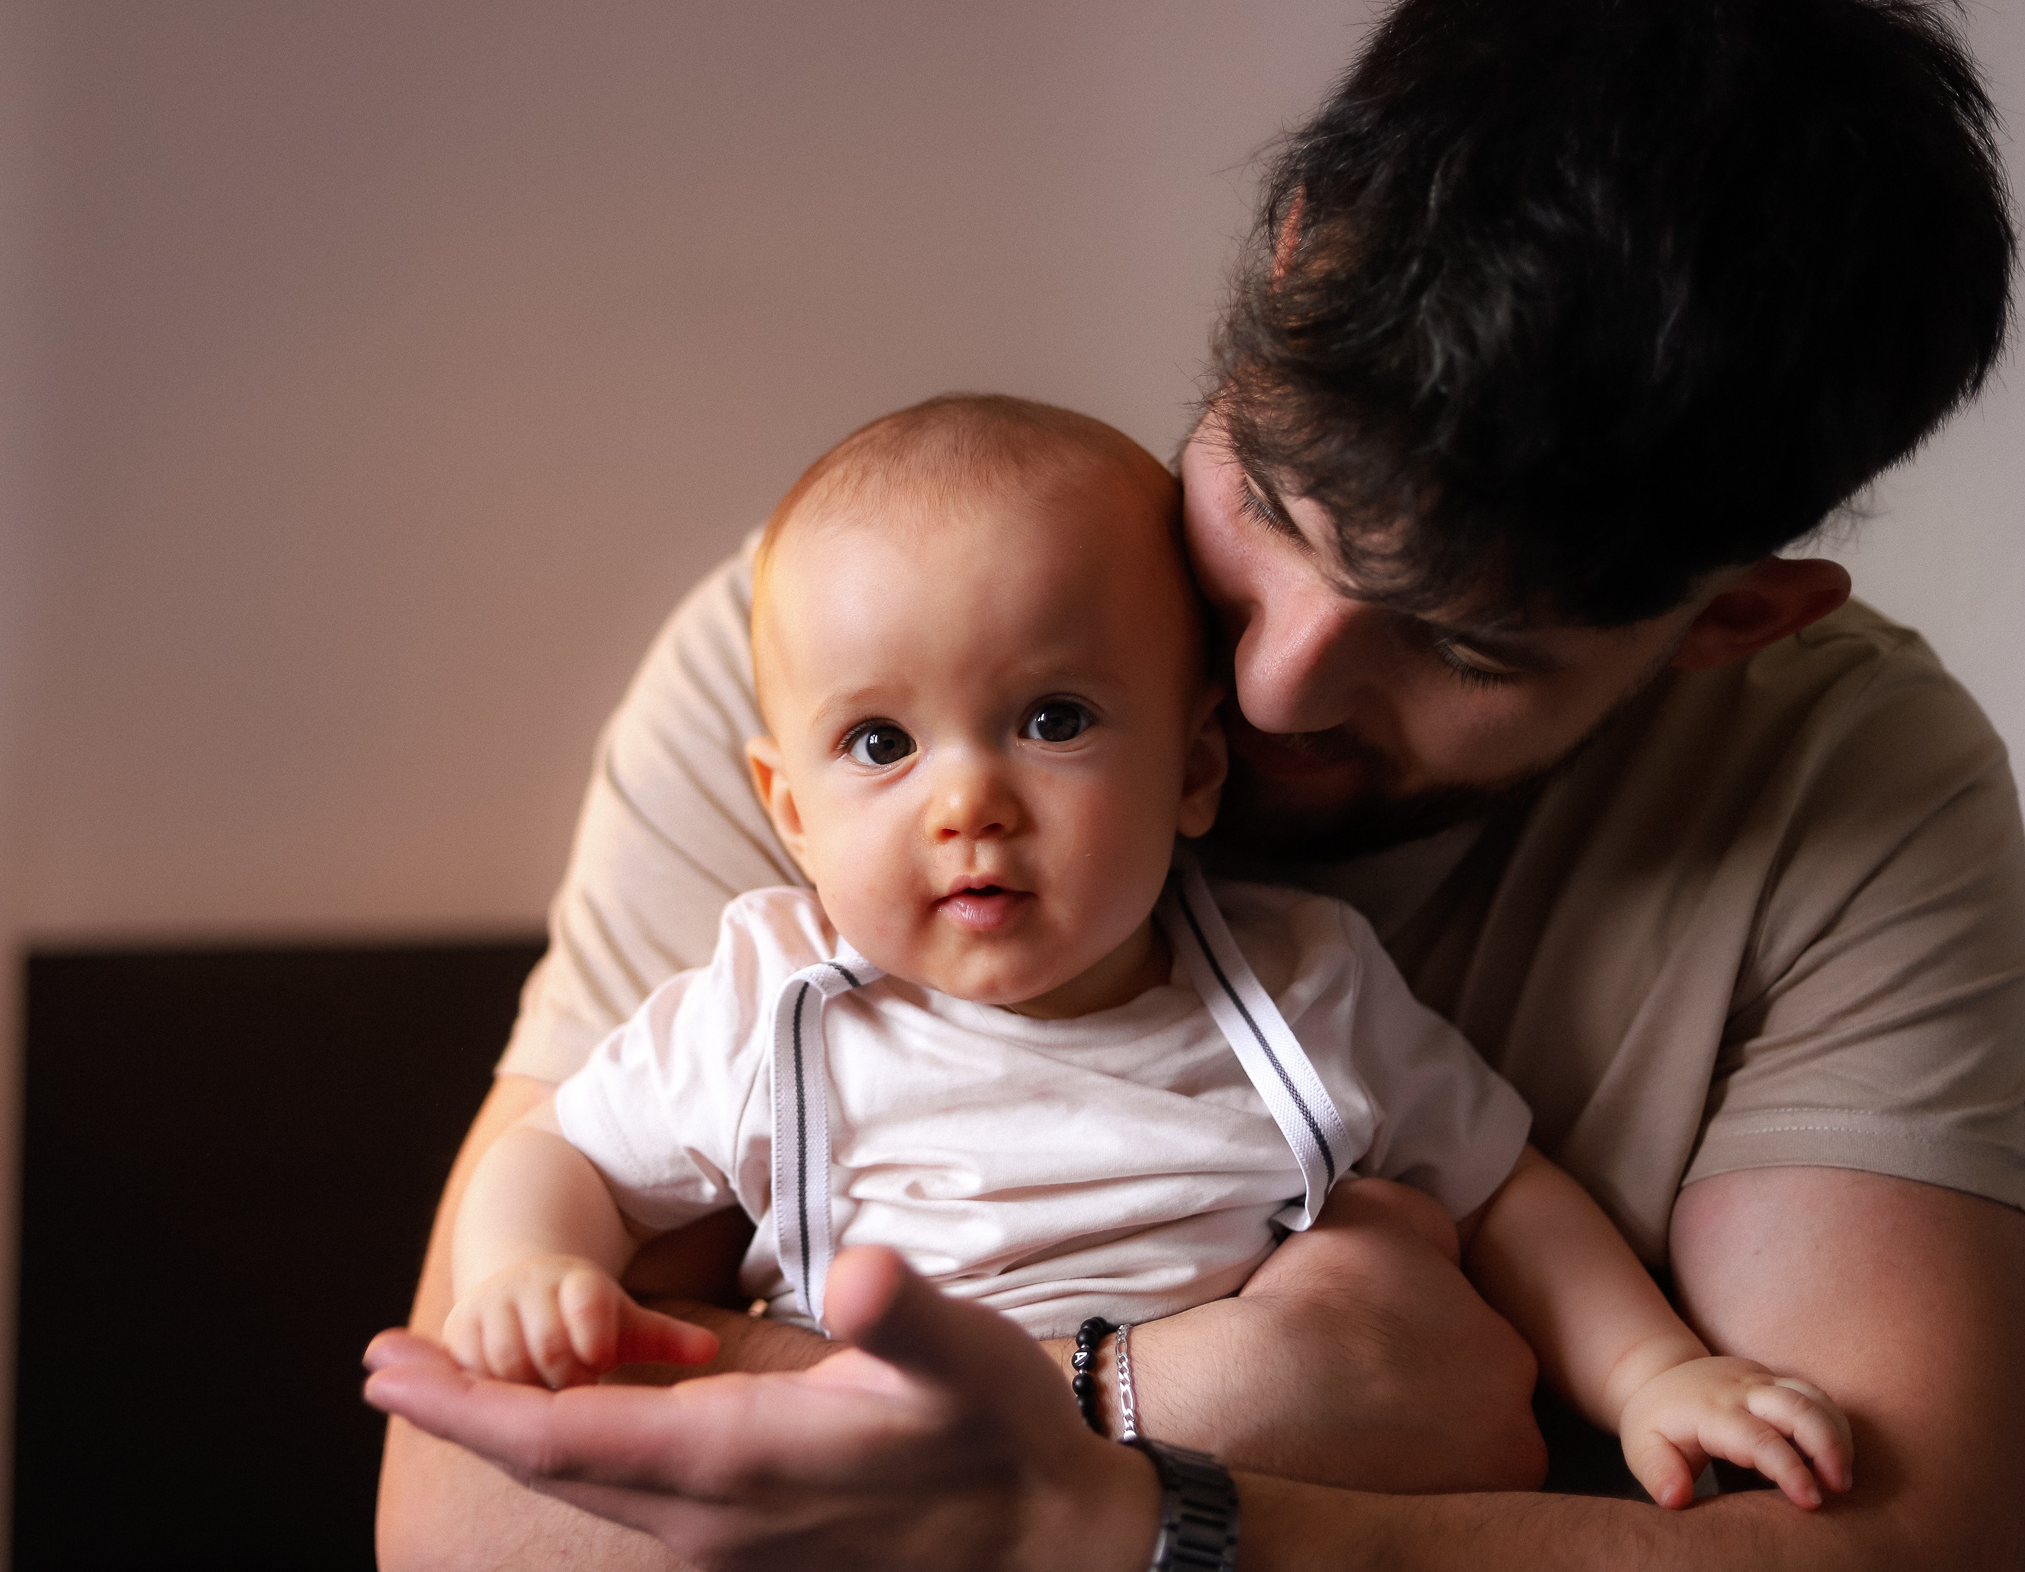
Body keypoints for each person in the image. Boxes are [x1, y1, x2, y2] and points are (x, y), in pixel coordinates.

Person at [370, 0, 2025, 1567]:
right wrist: (1203, 1401)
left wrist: (1147, 1521)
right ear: (1295, 254)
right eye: (1278, 506)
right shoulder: (839, 653)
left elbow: (1898, 1547)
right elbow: (471, 1513)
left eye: (1464, 644)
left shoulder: (1846, 795)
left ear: (1736, 618)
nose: (1279, 685)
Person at [441, 394, 1854, 1514]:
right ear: (790, 813)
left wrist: (1652, 1370)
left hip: (1236, 1518)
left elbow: (1504, 1192)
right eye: (880, 743)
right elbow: (564, 1155)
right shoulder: (768, 1006)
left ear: (1193, 770)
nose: (968, 801)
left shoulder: (1300, 981)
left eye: (1052, 720)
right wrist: (527, 1268)